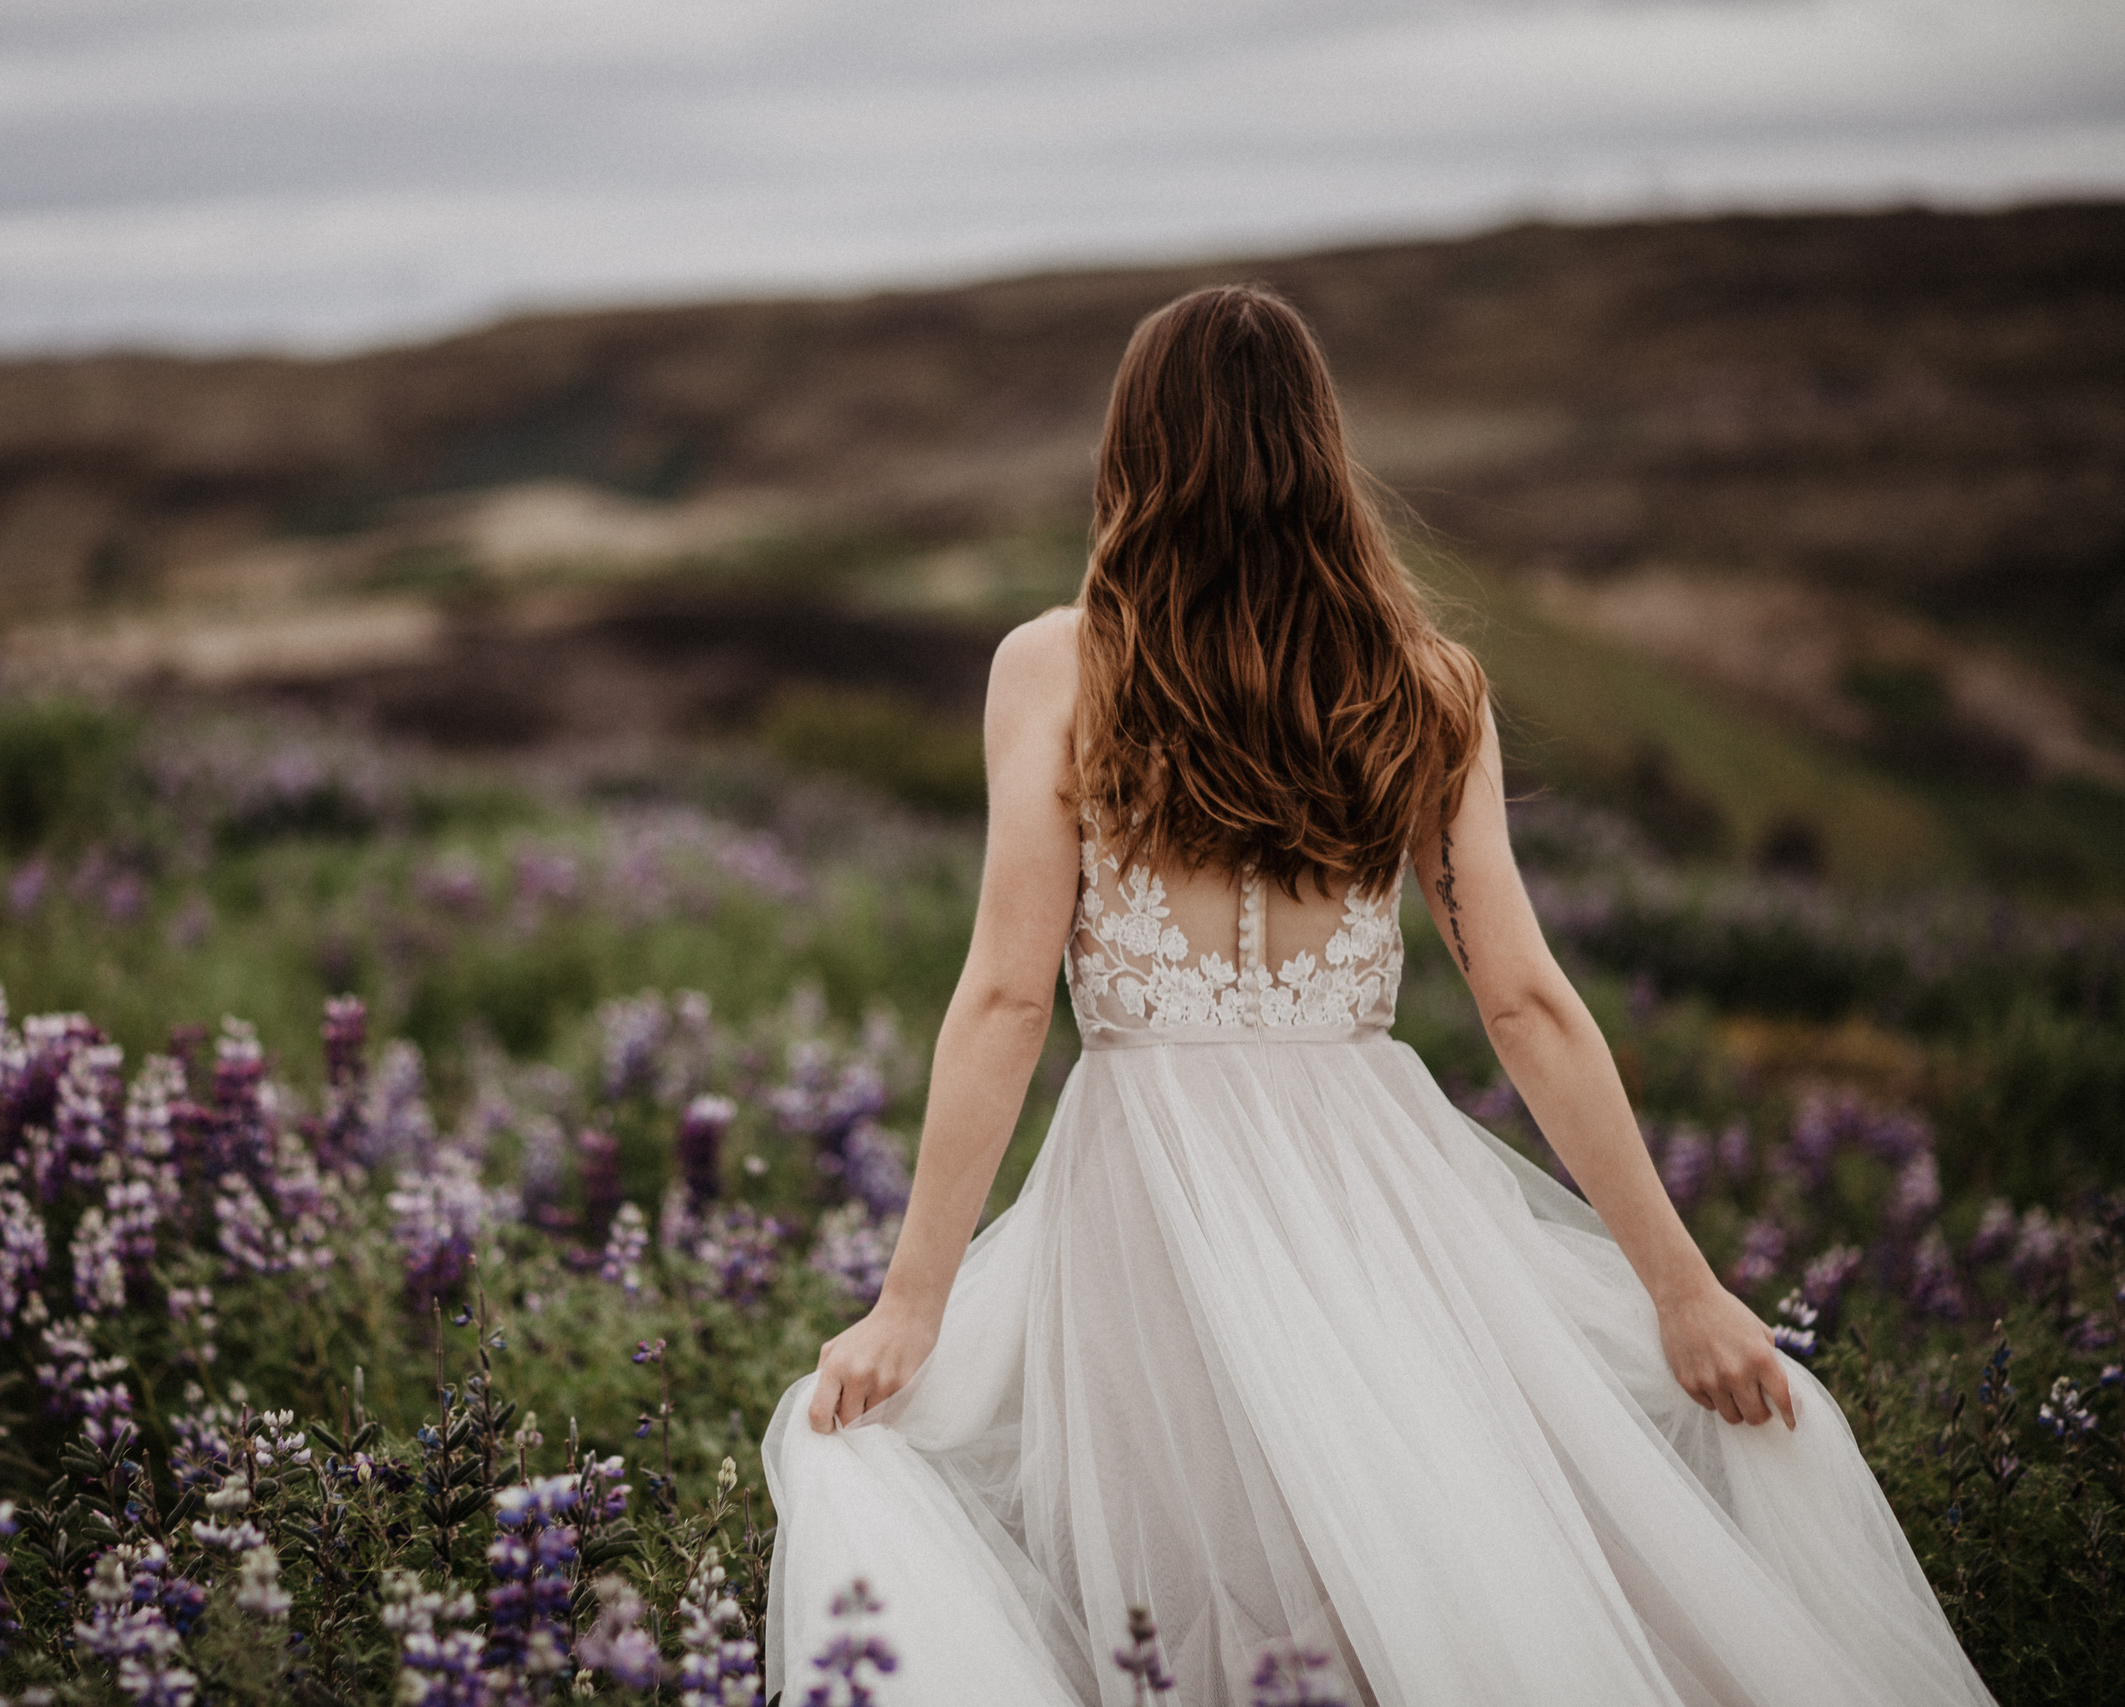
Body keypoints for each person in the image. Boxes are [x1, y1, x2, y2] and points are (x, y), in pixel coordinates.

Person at [758, 285, 1992, 1706]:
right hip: (1373, 1190)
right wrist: (1682, 1288)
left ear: (1135, 451)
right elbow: (1526, 1003)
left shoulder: (1057, 668)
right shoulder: (1423, 682)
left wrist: (911, 1306)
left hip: (1147, 1193)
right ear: (1319, 450)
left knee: (1181, 1598)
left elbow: (1003, 1004)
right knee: (1404, 1570)